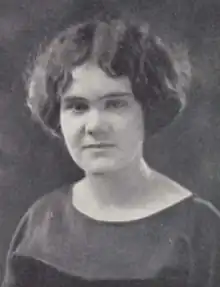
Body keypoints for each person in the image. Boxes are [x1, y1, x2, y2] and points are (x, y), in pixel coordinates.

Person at [1, 17, 220, 287]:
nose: (94, 126)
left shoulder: (200, 229)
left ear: (148, 109)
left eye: (115, 104)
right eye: (77, 107)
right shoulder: (41, 222)